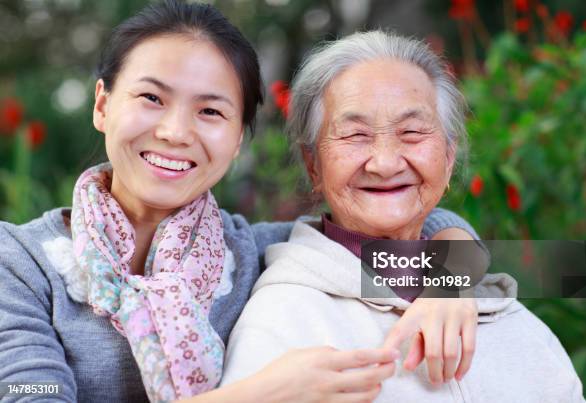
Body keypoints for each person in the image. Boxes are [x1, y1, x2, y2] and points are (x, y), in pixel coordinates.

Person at [0, 2, 480, 403]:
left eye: (210, 111)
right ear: (103, 105)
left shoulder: (259, 256)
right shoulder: (21, 263)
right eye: (151, 97)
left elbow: (426, 220)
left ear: (237, 140)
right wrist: (257, 395)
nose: (175, 132)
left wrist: (448, 284)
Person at [220, 31, 586, 402]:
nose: (384, 162)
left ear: (448, 159)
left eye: (411, 132)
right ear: (313, 165)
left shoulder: (505, 313)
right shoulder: (284, 320)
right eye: (355, 135)